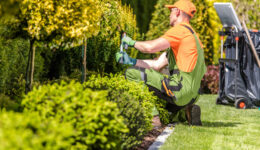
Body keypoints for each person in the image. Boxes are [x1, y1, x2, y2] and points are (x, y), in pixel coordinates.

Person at [116, 0, 206, 126]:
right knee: (166, 111)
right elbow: (157, 64)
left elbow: (150, 48)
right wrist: (131, 60)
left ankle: (153, 117)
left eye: (171, 11)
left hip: (179, 90)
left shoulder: (180, 31)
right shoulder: (192, 37)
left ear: (178, 12)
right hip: (193, 94)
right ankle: (185, 112)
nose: (169, 15)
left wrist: (131, 42)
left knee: (131, 73)